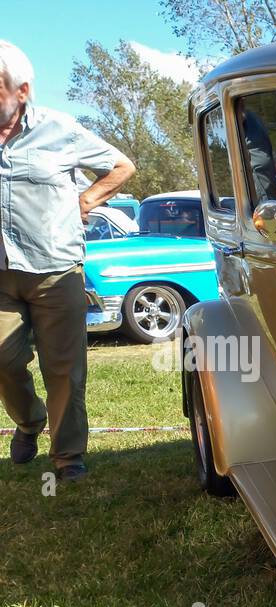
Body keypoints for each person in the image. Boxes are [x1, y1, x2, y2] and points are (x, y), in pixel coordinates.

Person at [0, 40, 135, 483]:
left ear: (22, 90)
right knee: (3, 359)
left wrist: (88, 200)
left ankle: (67, 456)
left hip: (56, 270)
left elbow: (121, 166)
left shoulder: (60, 129)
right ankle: (28, 421)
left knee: (64, 369)